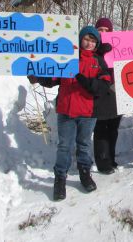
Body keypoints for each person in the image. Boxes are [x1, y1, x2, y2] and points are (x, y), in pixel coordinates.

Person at [29, 26, 110, 200]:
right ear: (80, 39)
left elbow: (102, 87)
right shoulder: (66, 57)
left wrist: (84, 80)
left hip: (88, 112)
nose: (89, 43)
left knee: (84, 144)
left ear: (97, 44)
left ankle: (85, 173)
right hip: (66, 110)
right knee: (64, 146)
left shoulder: (98, 61)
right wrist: (37, 75)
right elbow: (52, 78)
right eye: (86, 39)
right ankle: (60, 178)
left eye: (93, 41)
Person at [92, 17, 122, 174]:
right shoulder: (91, 48)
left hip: (117, 93)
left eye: (106, 30)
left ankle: (111, 158)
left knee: (113, 128)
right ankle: (102, 162)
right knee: (101, 129)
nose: (103, 33)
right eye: (100, 30)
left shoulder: (117, 47)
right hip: (100, 94)